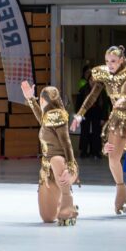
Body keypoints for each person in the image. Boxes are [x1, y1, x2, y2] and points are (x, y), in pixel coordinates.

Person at [74, 46, 126, 218]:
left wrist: (122, 99)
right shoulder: (104, 75)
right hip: (118, 118)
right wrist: (79, 115)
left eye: (113, 61)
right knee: (113, 156)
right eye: (107, 61)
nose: (109, 64)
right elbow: (93, 95)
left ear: (121, 60)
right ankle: (120, 188)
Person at [21, 81, 79, 225]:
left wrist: (71, 165)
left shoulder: (58, 116)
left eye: (41, 99)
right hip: (47, 169)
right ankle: (66, 205)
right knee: (47, 217)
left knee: (56, 159)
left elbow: (66, 143)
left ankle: (67, 199)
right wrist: (30, 98)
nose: (40, 101)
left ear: (47, 100)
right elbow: (41, 118)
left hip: (62, 164)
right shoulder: (47, 118)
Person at [76, 68, 107, 158]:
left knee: (96, 132)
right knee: (84, 132)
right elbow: (78, 104)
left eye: (95, 80)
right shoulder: (83, 90)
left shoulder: (101, 90)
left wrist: (103, 118)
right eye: (91, 80)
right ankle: (84, 151)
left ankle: (96, 151)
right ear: (89, 80)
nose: (93, 82)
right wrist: (79, 116)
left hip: (97, 113)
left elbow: (105, 105)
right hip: (85, 114)